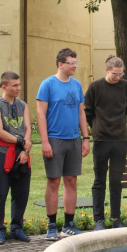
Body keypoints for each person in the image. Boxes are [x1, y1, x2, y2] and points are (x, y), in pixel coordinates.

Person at [37, 48, 90, 240]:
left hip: (73, 139)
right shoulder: (47, 85)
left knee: (71, 181)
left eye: (76, 62)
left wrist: (85, 138)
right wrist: (45, 141)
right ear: (61, 64)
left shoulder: (76, 85)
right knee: (54, 181)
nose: (75, 66)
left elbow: (81, 113)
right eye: (71, 63)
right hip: (54, 139)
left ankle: (69, 224)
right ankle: (52, 224)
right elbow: (41, 114)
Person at [84, 55, 127, 231]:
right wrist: (97, 128)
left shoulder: (126, 86)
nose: (117, 77)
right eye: (114, 74)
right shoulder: (95, 87)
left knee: (116, 181)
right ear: (107, 70)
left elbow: (126, 109)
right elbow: (88, 112)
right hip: (102, 140)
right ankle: (99, 219)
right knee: (100, 180)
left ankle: (116, 218)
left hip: (120, 140)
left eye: (120, 74)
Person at [0, 71, 32, 244]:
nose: (18, 88)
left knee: (21, 193)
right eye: (15, 85)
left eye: (19, 85)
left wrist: (25, 150)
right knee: (0, 193)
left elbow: (27, 128)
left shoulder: (23, 105)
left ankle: (17, 227)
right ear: (4, 87)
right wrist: (20, 141)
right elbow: (0, 131)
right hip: (3, 152)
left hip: (22, 153)